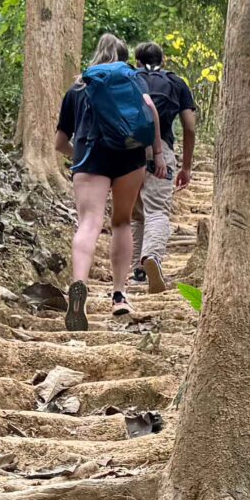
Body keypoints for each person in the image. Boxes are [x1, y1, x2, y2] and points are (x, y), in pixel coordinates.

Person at [54, 34, 160, 330]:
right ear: (126, 58)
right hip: (129, 158)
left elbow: (60, 142)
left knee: (88, 223)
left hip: (90, 157)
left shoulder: (78, 87)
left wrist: (80, 155)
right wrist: (156, 153)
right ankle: (119, 295)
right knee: (122, 222)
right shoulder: (132, 79)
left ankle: (79, 289)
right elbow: (150, 110)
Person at [129, 40, 198, 292]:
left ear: (136, 61)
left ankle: (137, 270)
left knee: (136, 213)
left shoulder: (129, 77)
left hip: (126, 150)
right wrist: (186, 167)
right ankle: (152, 257)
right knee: (157, 210)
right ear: (164, 60)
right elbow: (189, 127)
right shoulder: (176, 82)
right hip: (160, 149)